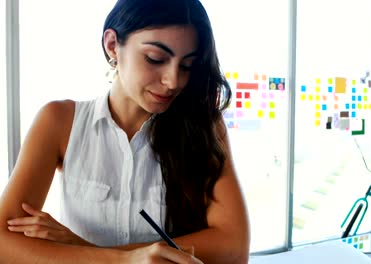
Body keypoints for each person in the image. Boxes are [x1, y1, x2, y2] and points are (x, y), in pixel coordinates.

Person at [0, 0, 250, 263]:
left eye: (187, 65)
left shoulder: (204, 127)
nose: (173, 81)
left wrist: (83, 248)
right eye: (156, 59)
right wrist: (123, 261)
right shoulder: (59, 121)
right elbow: (3, 243)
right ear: (112, 45)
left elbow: (233, 247)